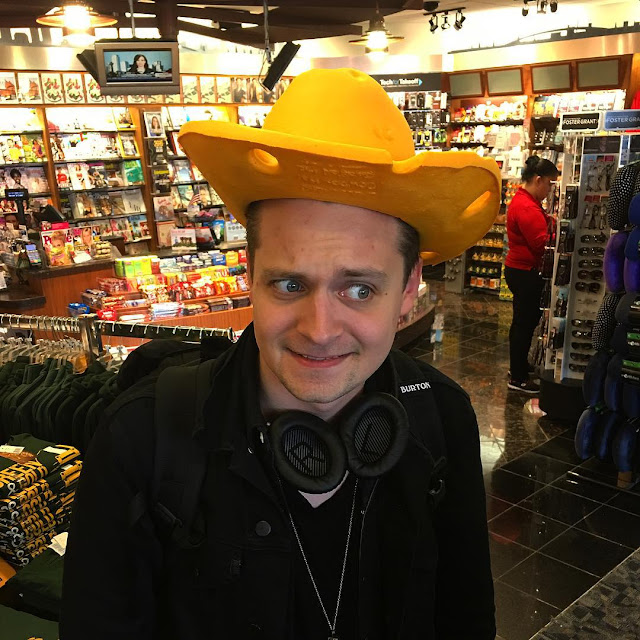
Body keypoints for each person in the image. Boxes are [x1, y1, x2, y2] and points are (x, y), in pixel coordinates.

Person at [61, 68, 501, 640]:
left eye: (359, 289)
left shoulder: (441, 419)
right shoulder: (140, 441)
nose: (319, 331)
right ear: (250, 274)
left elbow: (465, 618)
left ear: (409, 286)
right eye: (290, 284)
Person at [505, 155, 559, 393]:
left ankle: (518, 366)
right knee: (524, 324)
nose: (549, 189)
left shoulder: (526, 200)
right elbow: (540, 243)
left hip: (521, 270)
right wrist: (559, 234)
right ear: (538, 180)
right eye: (549, 183)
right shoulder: (526, 206)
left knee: (523, 323)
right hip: (525, 272)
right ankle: (517, 377)